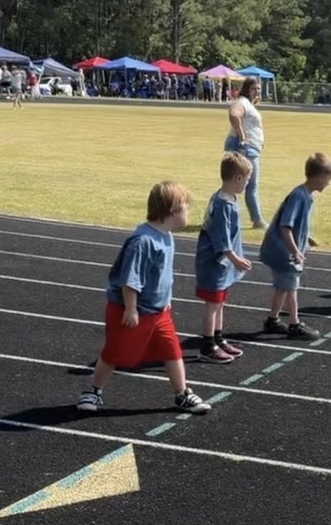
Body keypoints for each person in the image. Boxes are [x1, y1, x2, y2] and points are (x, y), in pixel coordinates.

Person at [77, 181, 210, 414]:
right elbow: (130, 280)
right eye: (186, 208)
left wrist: (165, 299)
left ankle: (182, 394)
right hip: (131, 310)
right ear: (173, 211)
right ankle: (93, 391)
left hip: (158, 311)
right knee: (113, 352)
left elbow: (162, 275)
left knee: (172, 352)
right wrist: (131, 308)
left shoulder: (166, 236)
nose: (188, 213)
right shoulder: (143, 241)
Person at [260, 153, 331, 339]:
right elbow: (285, 225)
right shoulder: (299, 196)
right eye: (328, 179)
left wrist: (306, 237)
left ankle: (272, 320)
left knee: (283, 286)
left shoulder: (306, 195)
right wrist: (295, 250)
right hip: (283, 251)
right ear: (319, 177)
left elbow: (295, 225)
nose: (328, 183)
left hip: (284, 250)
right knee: (292, 287)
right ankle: (294, 324)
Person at [195, 152, 253, 364]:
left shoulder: (228, 198)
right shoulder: (222, 205)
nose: (247, 185)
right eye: (246, 180)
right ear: (238, 179)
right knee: (213, 304)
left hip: (224, 264)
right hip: (216, 263)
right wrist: (235, 258)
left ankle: (218, 338)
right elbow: (221, 238)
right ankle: (208, 345)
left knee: (220, 302)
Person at [224, 76, 267, 229]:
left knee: (238, 184)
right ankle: (257, 220)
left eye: (259, 89)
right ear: (246, 89)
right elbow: (234, 114)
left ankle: (256, 219)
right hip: (245, 148)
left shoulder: (247, 104)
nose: (257, 92)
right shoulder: (242, 102)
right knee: (246, 185)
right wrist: (242, 137)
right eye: (254, 89)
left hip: (250, 148)